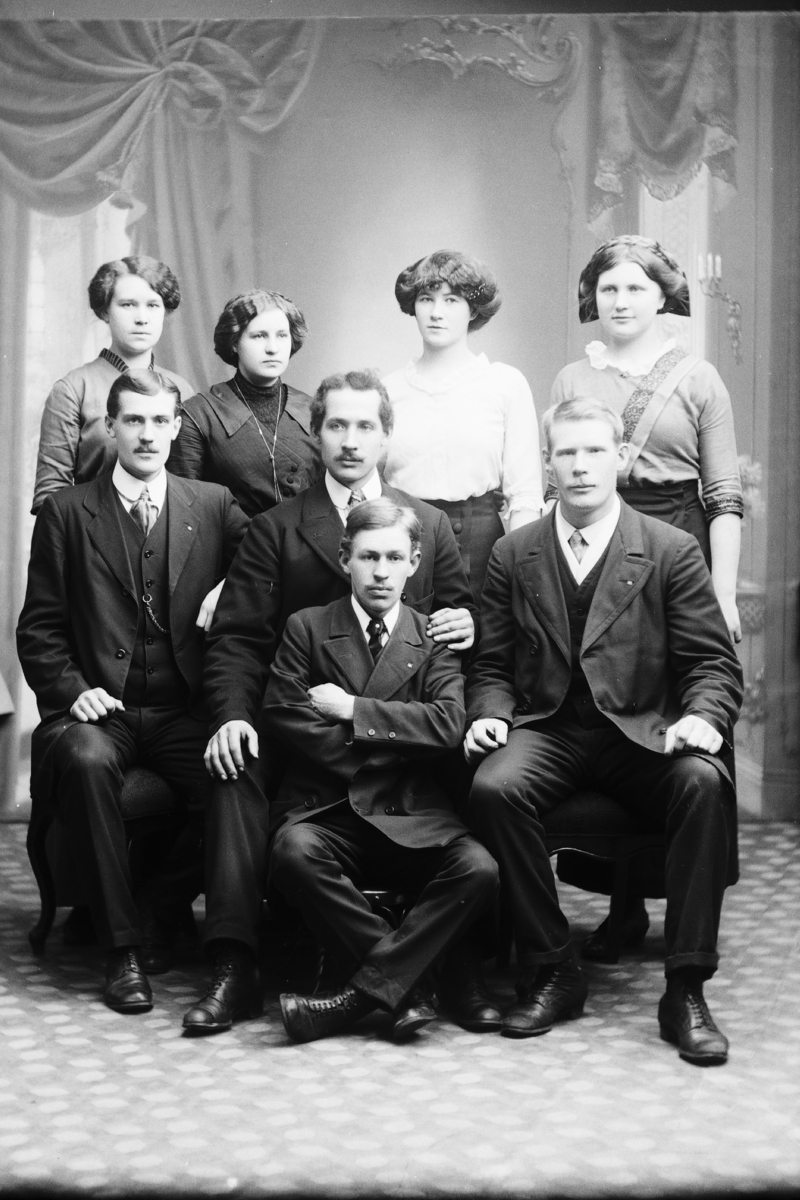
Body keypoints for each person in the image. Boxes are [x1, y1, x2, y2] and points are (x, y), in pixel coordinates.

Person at [181, 368, 490, 1035]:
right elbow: (237, 639)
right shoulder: (276, 527)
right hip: (299, 723)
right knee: (234, 766)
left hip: (400, 736)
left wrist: (467, 624)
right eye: (336, 425)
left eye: (365, 426)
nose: (350, 440)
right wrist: (232, 717)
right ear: (315, 434)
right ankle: (235, 963)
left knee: (477, 772)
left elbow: (451, 628)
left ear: (386, 435)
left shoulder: (430, 526)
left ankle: (461, 965)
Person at [464, 397, 743, 1065]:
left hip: (640, 734)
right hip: (550, 729)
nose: (581, 465)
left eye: (594, 451)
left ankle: (686, 989)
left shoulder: (670, 549)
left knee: (702, 783)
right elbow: (491, 663)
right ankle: (554, 967)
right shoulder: (514, 552)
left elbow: (712, 663)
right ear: (549, 464)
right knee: (493, 788)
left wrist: (702, 717)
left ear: (620, 457)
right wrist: (490, 712)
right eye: (567, 452)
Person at [17, 370, 249, 1015]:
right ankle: (121, 951)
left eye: (159, 421)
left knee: (241, 777)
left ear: (176, 428)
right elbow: (38, 628)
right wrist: (72, 690)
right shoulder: (67, 512)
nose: (148, 434)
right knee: (87, 760)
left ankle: (158, 907)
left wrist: (229, 587)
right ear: (111, 428)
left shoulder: (213, 504)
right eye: (134, 421)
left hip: (182, 710)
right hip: (99, 712)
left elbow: (268, 562)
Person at [550, 234, 744, 960]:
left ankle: (687, 914)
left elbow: (723, 496)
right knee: (609, 709)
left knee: (672, 721)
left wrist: (723, 593)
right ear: (592, 299)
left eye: (636, 288)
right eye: (608, 289)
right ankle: (621, 905)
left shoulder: (699, 378)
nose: (621, 301)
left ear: (662, 296)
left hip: (678, 548)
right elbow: (556, 485)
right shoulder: (573, 376)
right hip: (597, 547)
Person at [267, 498, 499, 1043]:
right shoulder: (308, 627)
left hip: (409, 811)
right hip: (331, 808)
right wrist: (397, 742)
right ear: (344, 558)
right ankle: (410, 989)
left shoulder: (431, 636)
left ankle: (358, 998)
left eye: (394, 558)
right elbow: (285, 713)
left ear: (415, 563)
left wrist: (353, 709)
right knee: (293, 852)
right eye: (368, 557)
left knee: (478, 869)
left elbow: (447, 723)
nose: (381, 572)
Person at [382, 249, 543, 602]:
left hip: (482, 544)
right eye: (426, 299)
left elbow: (524, 493)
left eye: (452, 300)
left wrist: (522, 568)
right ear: (413, 306)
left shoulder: (504, 384)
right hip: (401, 538)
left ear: (473, 309)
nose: (436, 312)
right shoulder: (388, 390)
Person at [32, 256, 194, 515]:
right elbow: (50, 498)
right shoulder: (73, 389)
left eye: (153, 305)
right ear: (105, 311)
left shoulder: (182, 389)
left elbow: (192, 486)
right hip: (91, 532)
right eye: (128, 305)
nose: (142, 318)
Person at [167, 288, 322, 519]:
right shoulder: (197, 415)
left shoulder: (313, 411)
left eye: (282, 335)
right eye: (259, 336)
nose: (273, 348)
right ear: (234, 343)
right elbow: (184, 512)